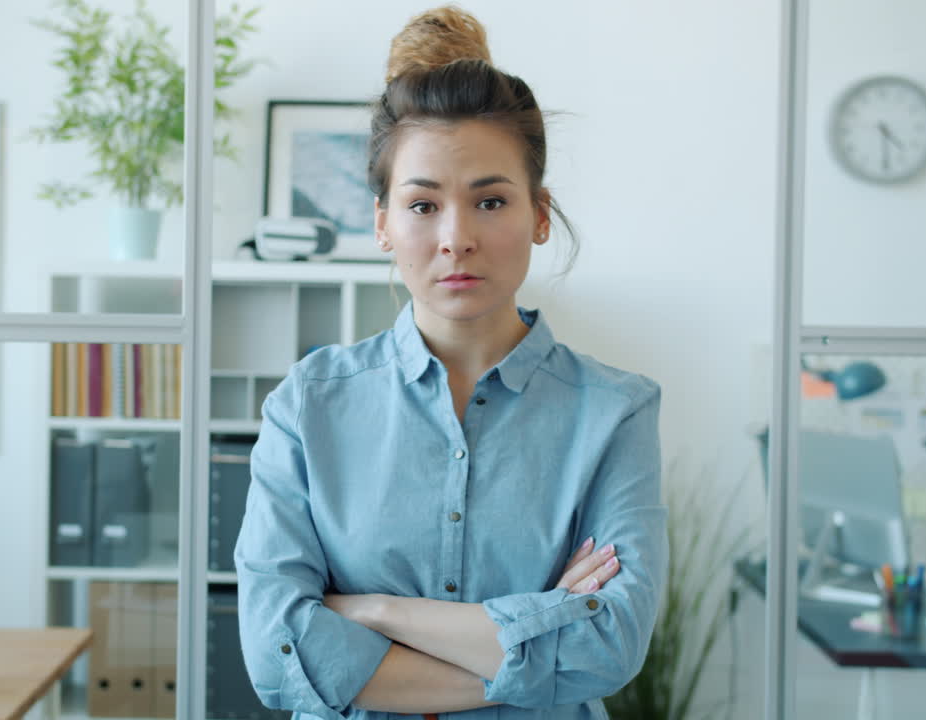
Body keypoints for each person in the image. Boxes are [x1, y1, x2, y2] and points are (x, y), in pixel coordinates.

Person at [234, 6, 666, 719]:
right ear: (381, 224)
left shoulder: (617, 411)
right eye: (423, 204)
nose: (456, 238)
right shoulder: (309, 403)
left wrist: (374, 613)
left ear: (538, 214)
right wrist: (542, 641)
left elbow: (611, 648)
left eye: (490, 200)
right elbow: (277, 653)